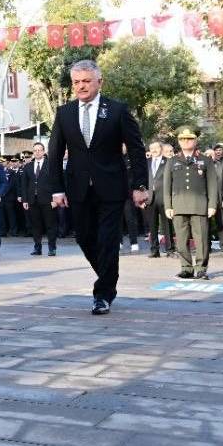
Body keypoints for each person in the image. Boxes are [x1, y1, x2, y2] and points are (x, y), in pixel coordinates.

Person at [45, 60, 148, 316]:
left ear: (99, 82)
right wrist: (56, 189)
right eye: (77, 82)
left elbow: (136, 150)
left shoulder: (117, 110)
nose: (81, 86)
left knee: (108, 240)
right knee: (84, 238)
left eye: (86, 81)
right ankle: (107, 276)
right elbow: (55, 153)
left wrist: (140, 185)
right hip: (78, 189)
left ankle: (103, 294)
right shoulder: (64, 113)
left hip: (111, 188)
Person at [162, 128, 218, 280]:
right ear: (179, 141)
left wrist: (212, 204)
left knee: (202, 241)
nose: (186, 142)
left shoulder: (205, 160)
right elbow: (167, 185)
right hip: (178, 206)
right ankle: (186, 268)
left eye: (189, 139)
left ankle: (201, 269)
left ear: (195, 141)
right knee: (181, 240)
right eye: (183, 139)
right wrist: (168, 206)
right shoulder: (172, 161)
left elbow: (212, 184)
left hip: (199, 206)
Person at [19, 142, 57, 256]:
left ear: (44, 151)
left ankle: (52, 248)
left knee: (50, 225)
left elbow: (56, 183)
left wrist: (55, 199)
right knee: (36, 225)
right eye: (35, 150)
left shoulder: (51, 165)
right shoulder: (28, 166)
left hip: (48, 200)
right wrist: (25, 200)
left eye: (39, 150)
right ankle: (37, 247)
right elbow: (24, 185)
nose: (37, 152)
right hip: (32, 200)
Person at [144, 141, 170, 258]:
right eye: (151, 148)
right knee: (152, 226)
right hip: (150, 199)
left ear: (161, 148)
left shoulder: (168, 162)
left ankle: (170, 249)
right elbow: (142, 180)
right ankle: (154, 250)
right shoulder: (146, 162)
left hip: (164, 198)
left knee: (167, 225)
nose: (154, 150)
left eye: (156, 148)